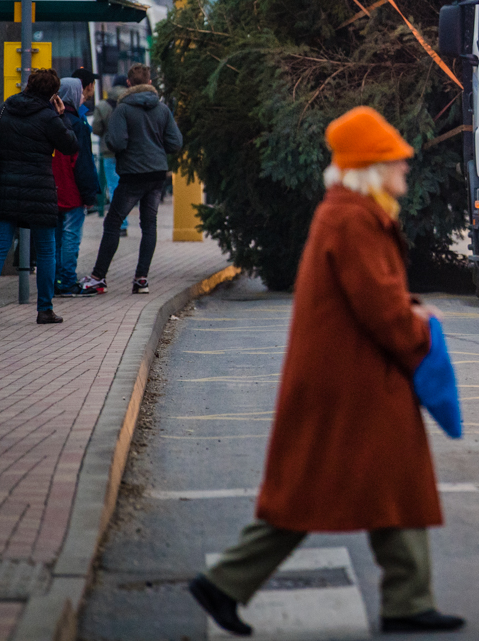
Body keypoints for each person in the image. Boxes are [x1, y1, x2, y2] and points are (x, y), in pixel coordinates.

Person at [190, 106, 464, 637]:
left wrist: (408, 308)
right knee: (318, 489)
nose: (405, 170)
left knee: (370, 480)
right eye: (396, 162)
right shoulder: (355, 217)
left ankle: (408, 601)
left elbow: (372, 295)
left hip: (347, 374)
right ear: (373, 167)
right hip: (355, 379)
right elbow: (378, 307)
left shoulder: (346, 211)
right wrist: (417, 330)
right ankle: (225, 582)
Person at [0, 68, 78, 327]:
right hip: (39, 191)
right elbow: (70, 145)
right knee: (45, 251)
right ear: (53, 93)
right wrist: (62, 115)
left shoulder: (3, 110)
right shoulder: (49, 117)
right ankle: (45, 310)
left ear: (29, 84)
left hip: (4, 189)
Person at [80, 64, 183, 295]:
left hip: (132, 175)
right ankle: (141, 279)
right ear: (149, 83)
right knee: (149, 225)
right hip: (157, 174)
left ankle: (98, 277)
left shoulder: (123, 110)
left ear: (128, 83)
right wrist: (156, 147)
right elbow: (175, 143)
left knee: (113, 222)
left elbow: (116, 142)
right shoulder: (163, 110)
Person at [53, 78, 102, 296]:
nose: (83, 96)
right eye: (79, 92)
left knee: (53, 238)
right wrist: (90, 193)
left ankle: (53, 280)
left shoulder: (49, 119)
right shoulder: (76, 123)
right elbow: (82, 163)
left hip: (50, 189)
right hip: (71, 188)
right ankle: (67, 281)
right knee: (71, 235)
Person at [92, 80, 124, 210]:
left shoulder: (102, 106)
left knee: (113, 185)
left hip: (108, 151)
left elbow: (96, 129)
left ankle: (121, 223)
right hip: (127, 152)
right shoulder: (130, 104)